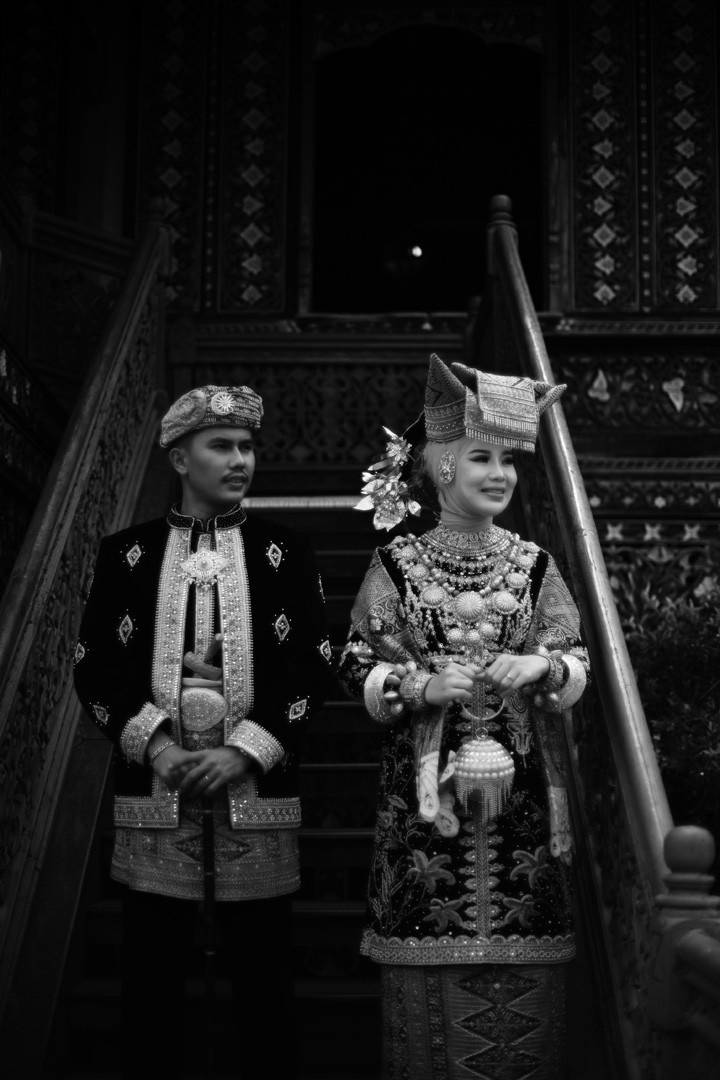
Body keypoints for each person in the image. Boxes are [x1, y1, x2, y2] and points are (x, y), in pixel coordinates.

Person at [339, 353, 590, 1079]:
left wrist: (541, 667)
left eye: (508, 460)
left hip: (523, 801)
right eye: (482, 457)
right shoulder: (395, 563)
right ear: (442, 466)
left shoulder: (535, 565)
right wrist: (418, 686)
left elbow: (573, 654)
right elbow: (356, 658)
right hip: (426, 801)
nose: (500, 473)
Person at [73, 384, 335, 1078]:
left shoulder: (286, 551)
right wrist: (156, 746)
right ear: (180, 458)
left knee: (264, 979)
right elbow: (94, 665)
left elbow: (313, 664)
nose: (240, 460)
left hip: (256, 793)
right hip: (156, 795)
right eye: (221, 446)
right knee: (150, 980)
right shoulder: (125, 554)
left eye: (247, 446)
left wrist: (246, 750)